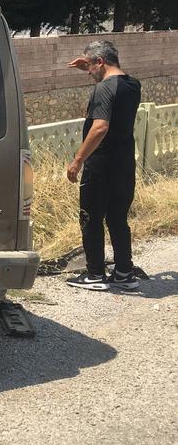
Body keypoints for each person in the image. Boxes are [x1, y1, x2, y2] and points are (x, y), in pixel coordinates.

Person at [65, 40, 143, 291]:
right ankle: (124, 272)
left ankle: (95, 274)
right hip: (123, 164)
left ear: (100, 62)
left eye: (89, 66)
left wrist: (78, 160)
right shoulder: (133, 85)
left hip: (101, 165)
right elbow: (112, 85)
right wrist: (88, 65)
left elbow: (100, 126)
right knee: (118, 218)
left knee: (90, 217)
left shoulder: (103, 90)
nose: (87, 72)